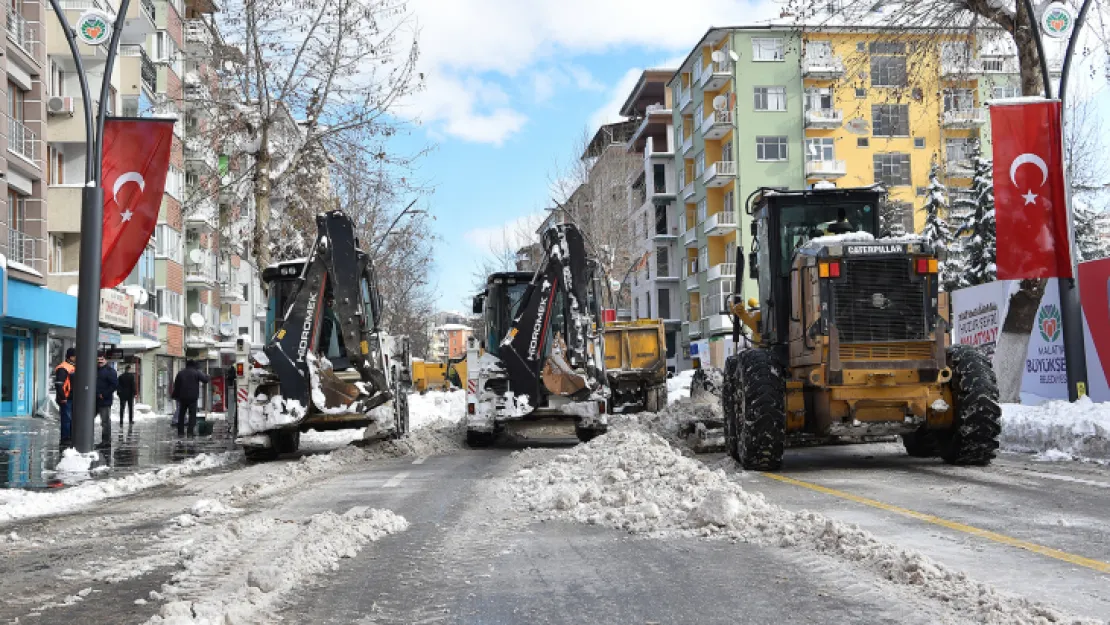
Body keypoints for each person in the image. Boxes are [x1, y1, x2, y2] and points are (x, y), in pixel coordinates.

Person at [172, 360, 210, 436]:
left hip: (182, 397)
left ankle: (180, 432)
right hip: (193, 397)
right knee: (192, 415)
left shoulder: (180, 373)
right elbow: (205, 380)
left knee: (181, 415)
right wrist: (208, 376)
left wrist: (175, 396)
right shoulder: (196, 372)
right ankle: (190, 432)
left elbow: (176, 385)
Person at [54, 348, 76, 446]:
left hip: (71, 397)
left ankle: (70, 437)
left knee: (70, 419)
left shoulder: (72, 366)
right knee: (67, 419)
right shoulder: (63, 368)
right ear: (71, 357)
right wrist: (63, 397)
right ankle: (65, 438)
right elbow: (59, 384)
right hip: (66, 398)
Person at [95, 352, 118, 446]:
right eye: (98, 360)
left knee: (105, 421)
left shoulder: (110, 371)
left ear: (105, 360)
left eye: (102, 359)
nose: (100, 361)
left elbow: (114, 385)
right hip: (94, 399)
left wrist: (104, 394)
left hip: (104, 400)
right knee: (87, 419)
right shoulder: (94, 370)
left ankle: (106, 441)